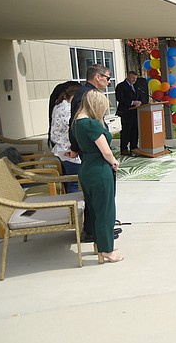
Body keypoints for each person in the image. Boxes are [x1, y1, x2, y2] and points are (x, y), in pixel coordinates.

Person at [72, 90, 123, 263]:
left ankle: (100, 245)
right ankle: (107, 250)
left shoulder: (76, 123)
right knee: (106, 211)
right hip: (100, 169)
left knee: (95, 211)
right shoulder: (92, 124)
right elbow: (106, 151)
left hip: (86, 169)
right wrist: (114, 162)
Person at [68, 64, 114, 243]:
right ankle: (98, 234)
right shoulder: (86, 96)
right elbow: (80, 128)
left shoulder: (85, 94)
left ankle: (101, 232)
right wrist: (76, 147)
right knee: (101, 205)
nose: (109, 82)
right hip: (97, 161)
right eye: (107, 78)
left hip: (91, 160)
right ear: (97, 76)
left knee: (99, 203)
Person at [50, 83, 82, 193]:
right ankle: (74, 207)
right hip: (67, 150)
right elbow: (74, 129)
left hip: (62, 148)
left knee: (72, 181)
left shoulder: (59, 106)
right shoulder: (67, 109)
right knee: (74, 182)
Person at [115, 71, 143, 156]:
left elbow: (139, 96)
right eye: (132, 78)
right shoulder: (121, 86)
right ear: (127, 76)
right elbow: (120, 98)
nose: (134, 80)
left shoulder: (136, 86)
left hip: (135, 111)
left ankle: (134, 147)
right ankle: (124, 148)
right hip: (126, 112)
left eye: (135, 78)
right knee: (127, 130)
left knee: (135, 130)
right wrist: (132, 102)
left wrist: (140, 102)